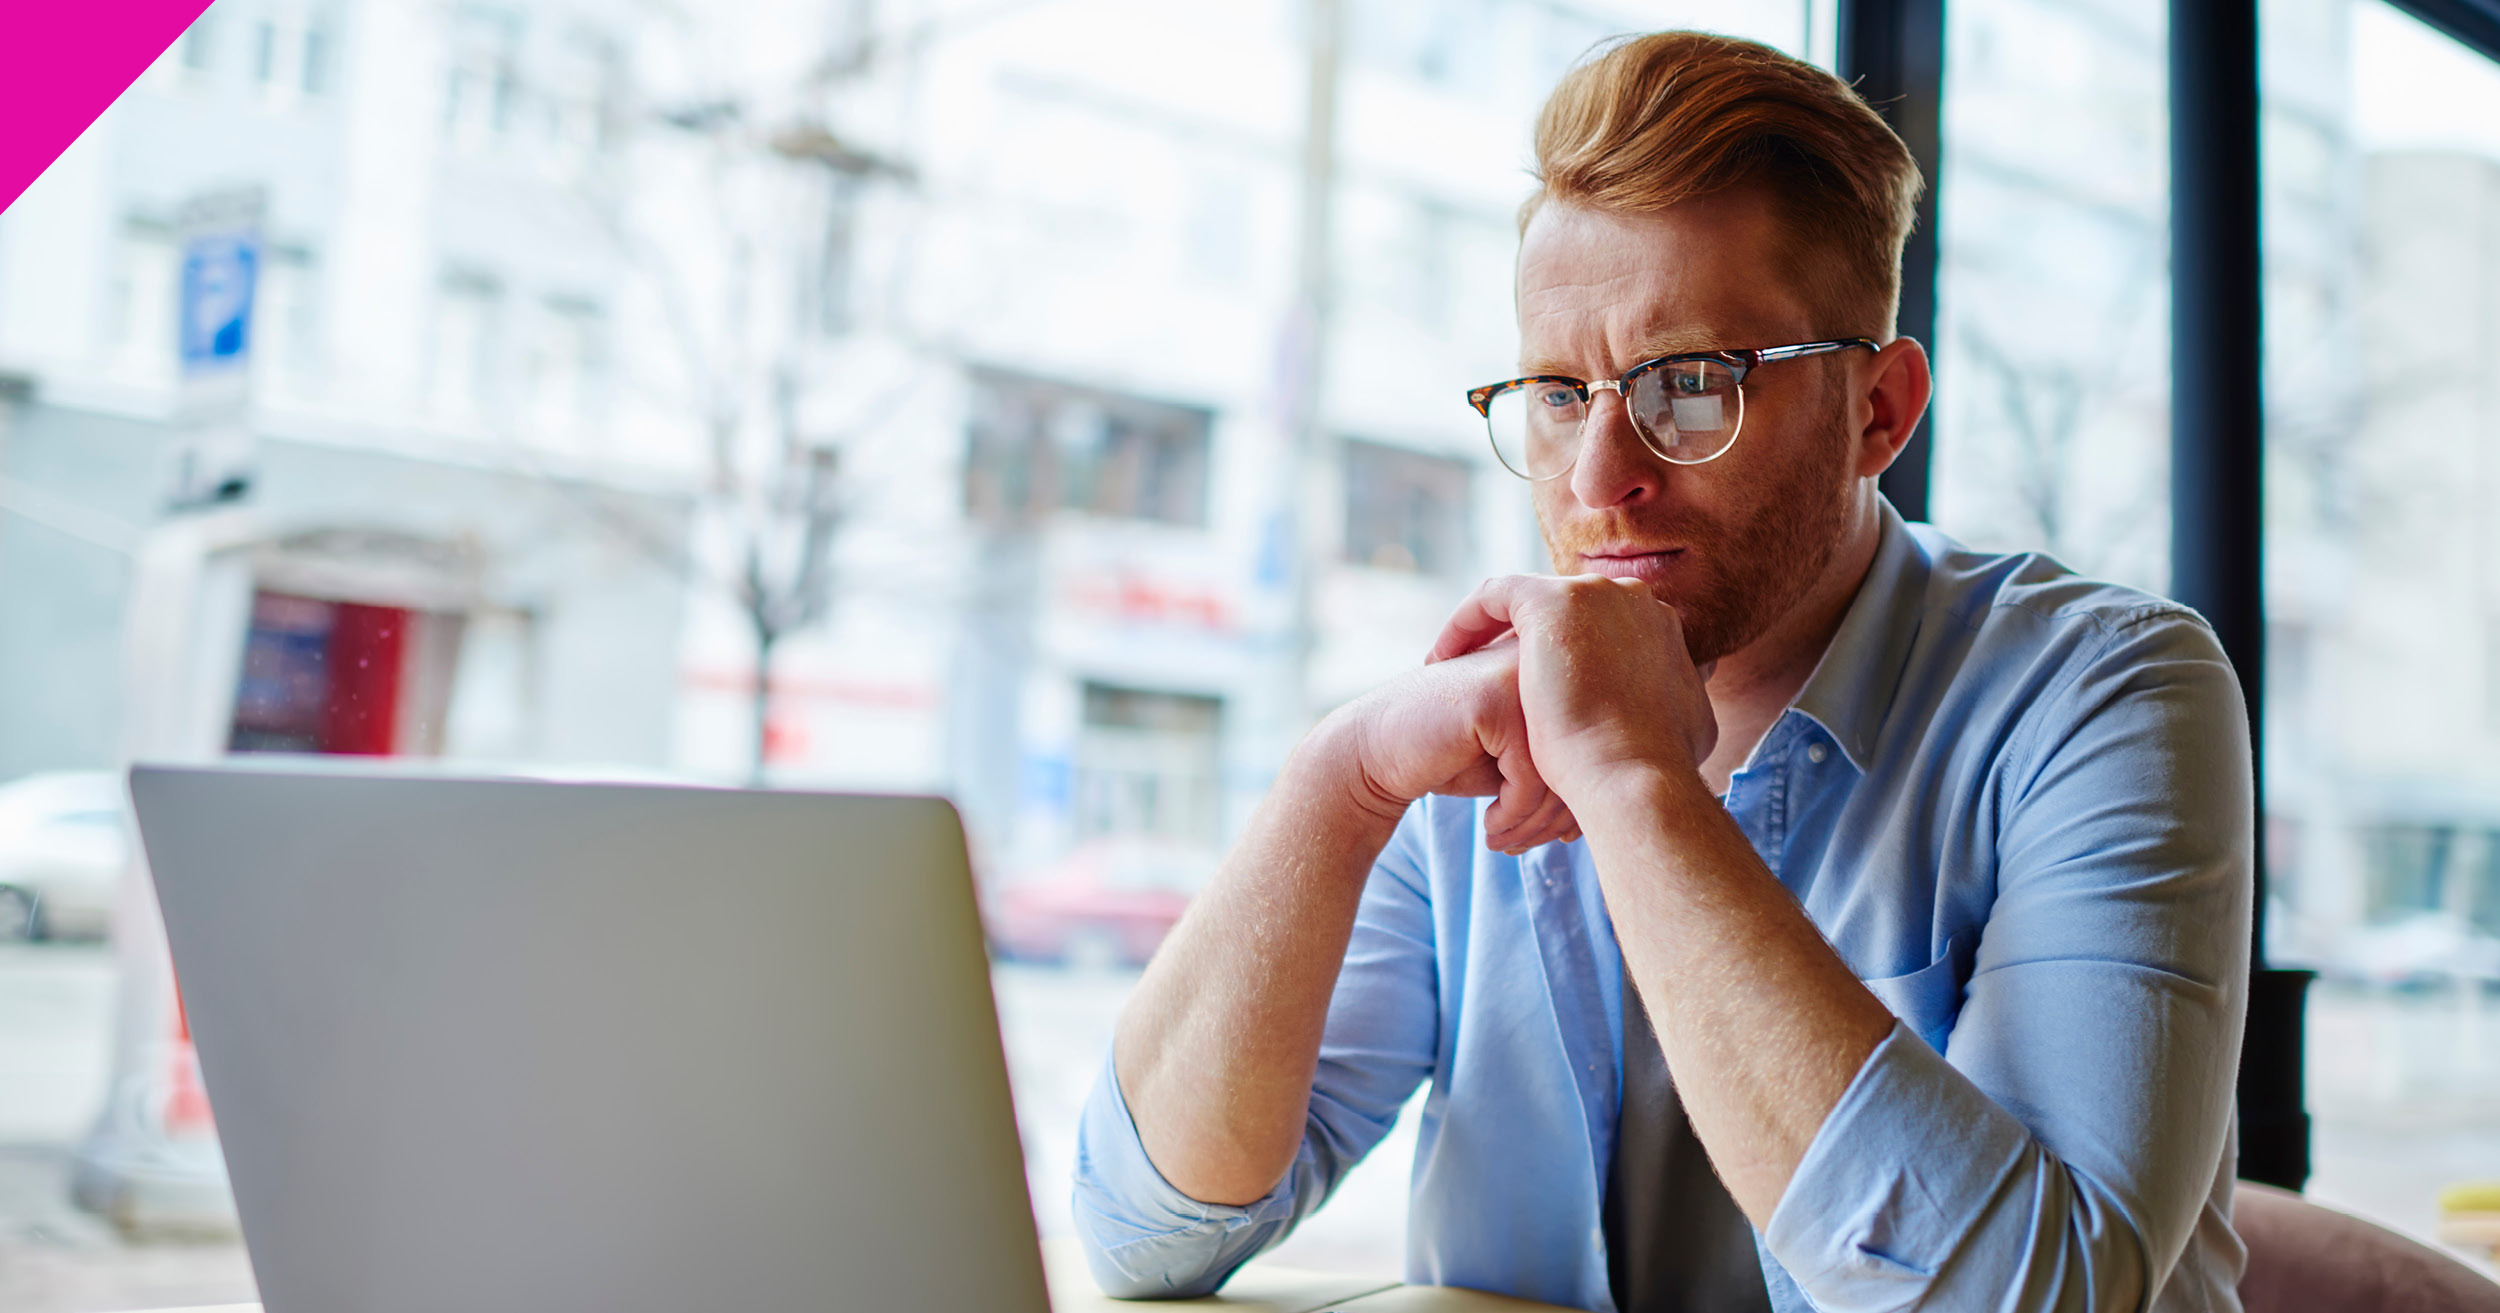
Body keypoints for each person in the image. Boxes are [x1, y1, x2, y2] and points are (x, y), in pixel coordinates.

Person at [1072, 30, 2250, 1313]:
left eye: (1690, 383)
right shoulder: (1475, 722)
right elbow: (1146, 1237)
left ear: (1881, 412)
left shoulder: (2107, 692)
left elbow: (2041, 1299)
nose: (1596, 481)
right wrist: (1340, 777)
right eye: (1559, 393)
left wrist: (1633, 785)